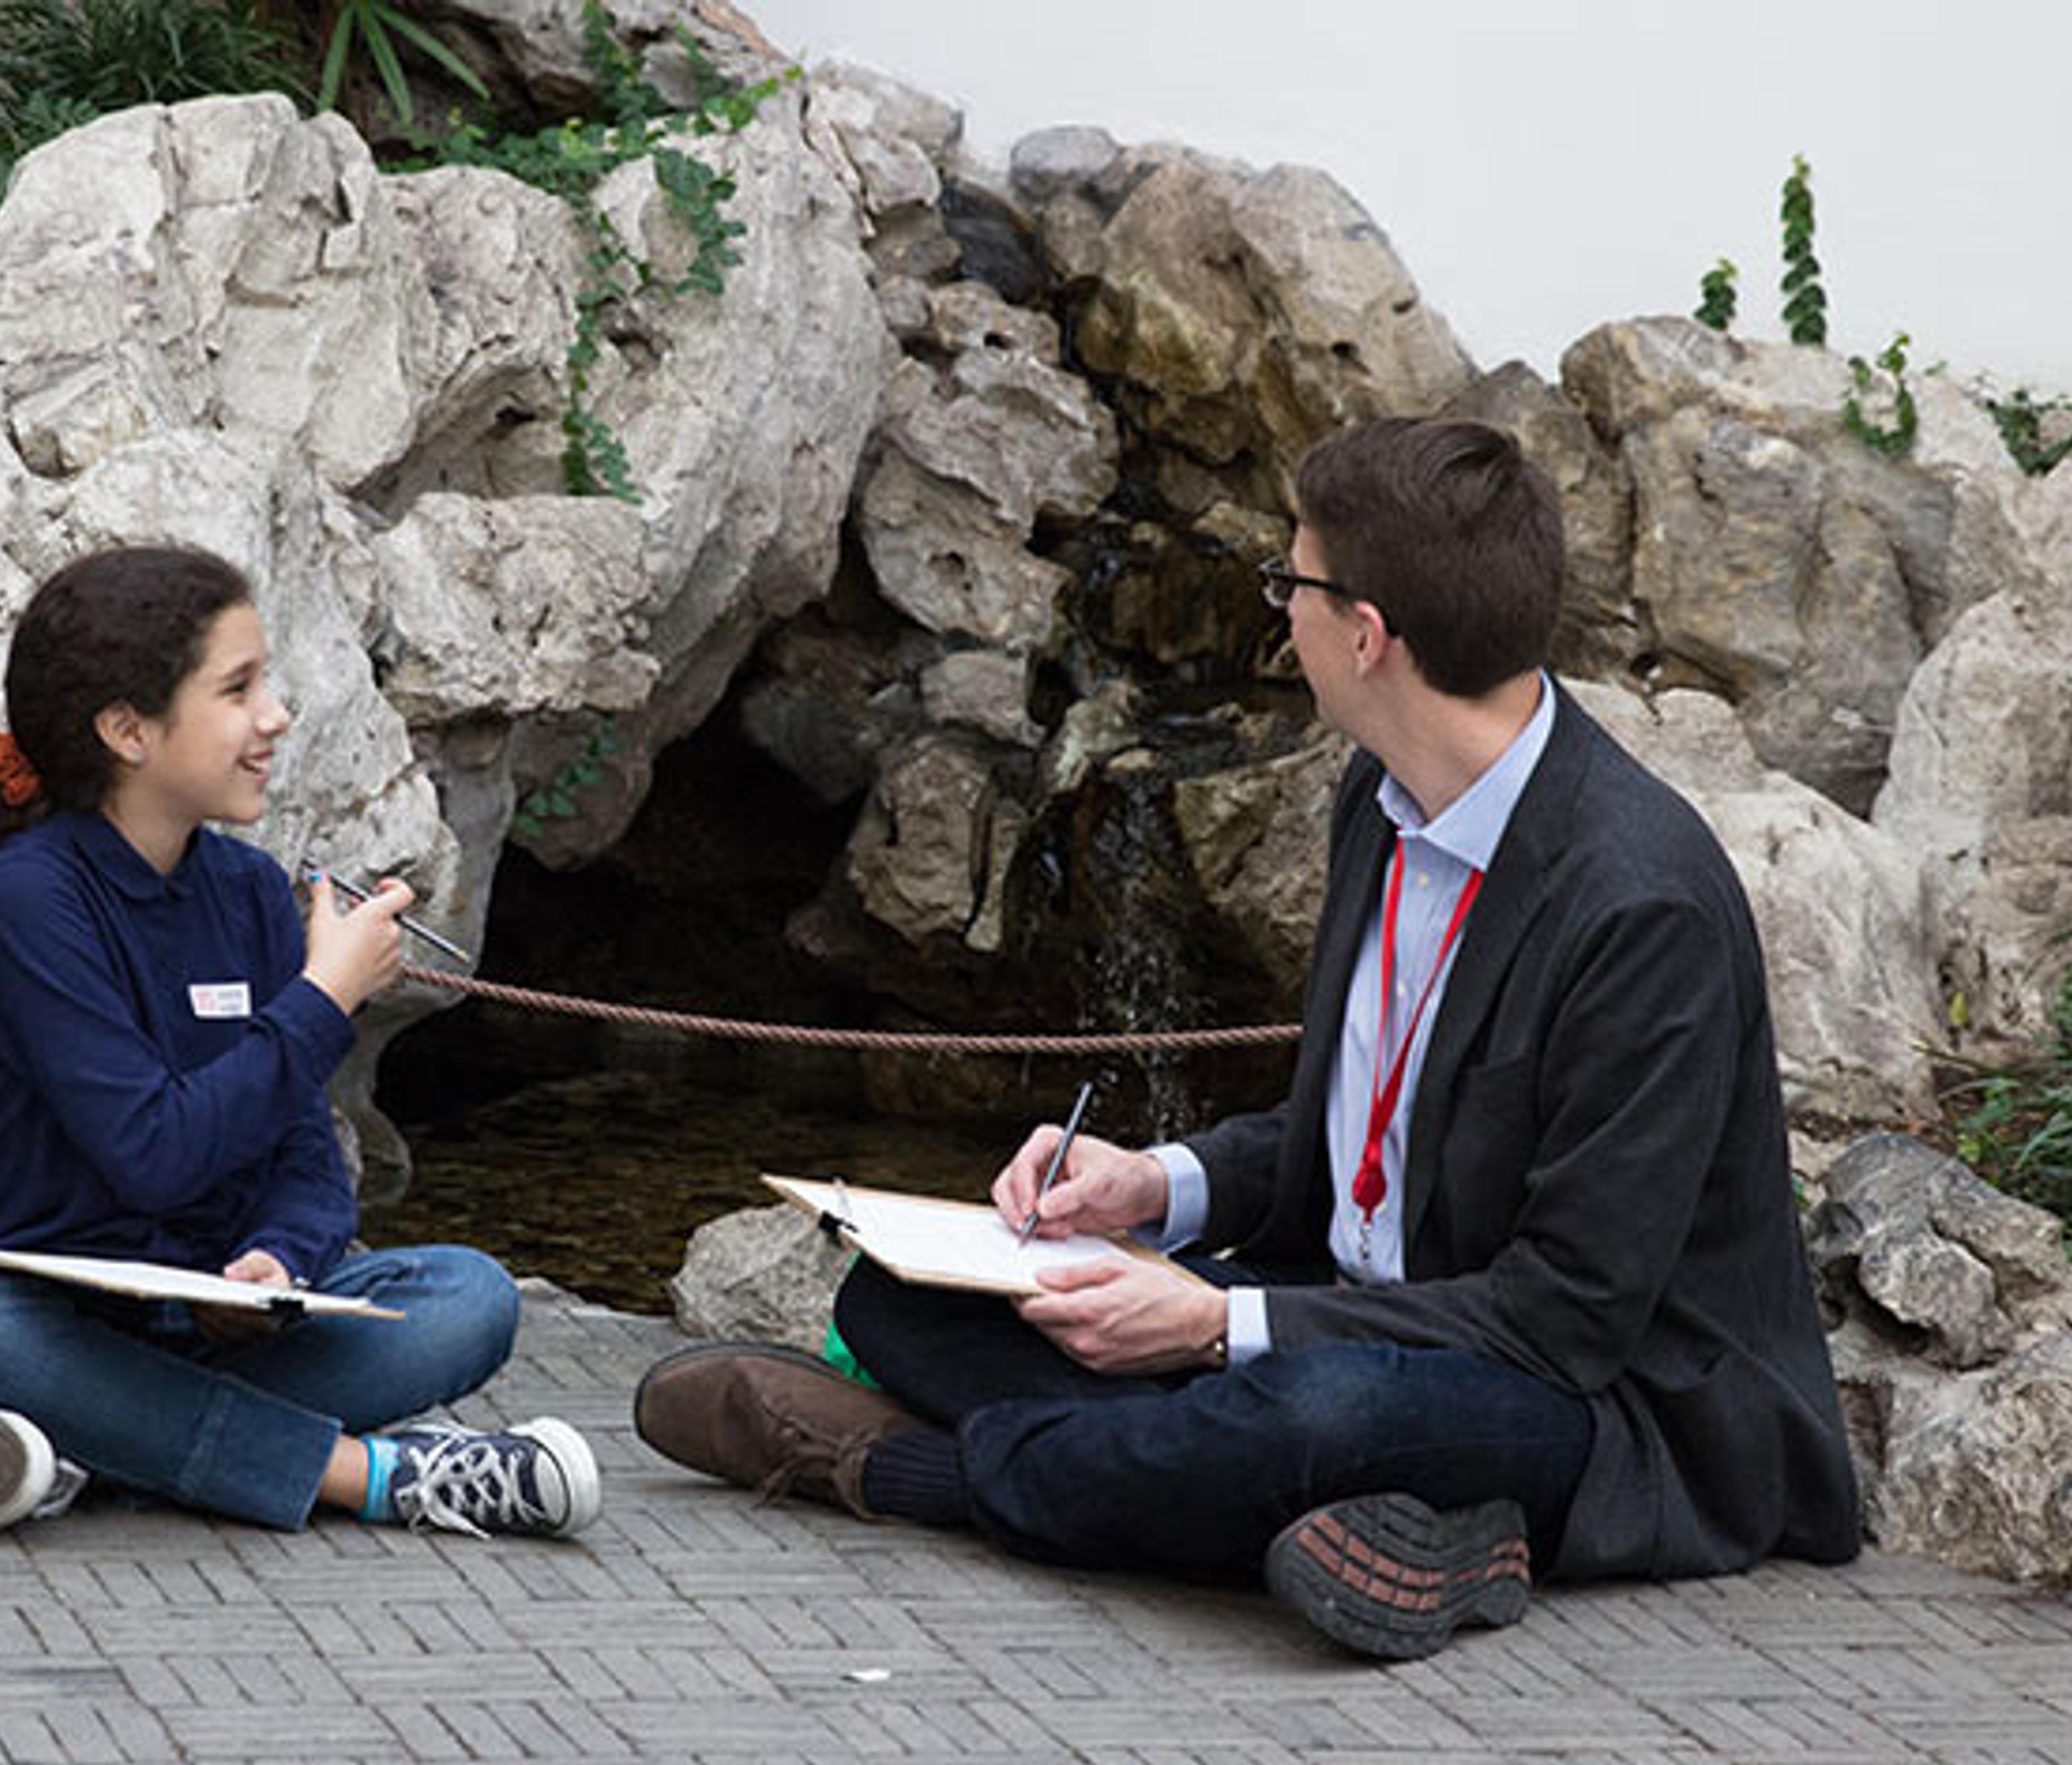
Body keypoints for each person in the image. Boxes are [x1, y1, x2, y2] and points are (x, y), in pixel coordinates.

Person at [633, 417, 1859, 1659]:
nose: (1282, 614)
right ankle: (1402, 1526)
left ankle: (911, 1472)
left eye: (1293, 584)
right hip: (1359, 1320)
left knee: (1308, 1414)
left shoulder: (1640, 904)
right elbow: (1365, 1147)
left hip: (1591, 1402)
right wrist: (1151, 1187)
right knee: (906, 1306)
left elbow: (1567, 1319)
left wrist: (1215, 1329)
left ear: (1368, 636)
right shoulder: (1383, 802)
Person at [0, 544, 599, 1540]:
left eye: (265, 685)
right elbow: (150, 1154)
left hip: (224, 1332)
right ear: (128, 730)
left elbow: (303, 1154)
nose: (274, 718)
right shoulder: (29, 903)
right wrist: (324, 999)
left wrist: (276, 1263)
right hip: (63, 1322)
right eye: (237, 691)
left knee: (472, 1296)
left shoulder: (246, 891)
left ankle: (98, 1448)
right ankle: (376, 1477)